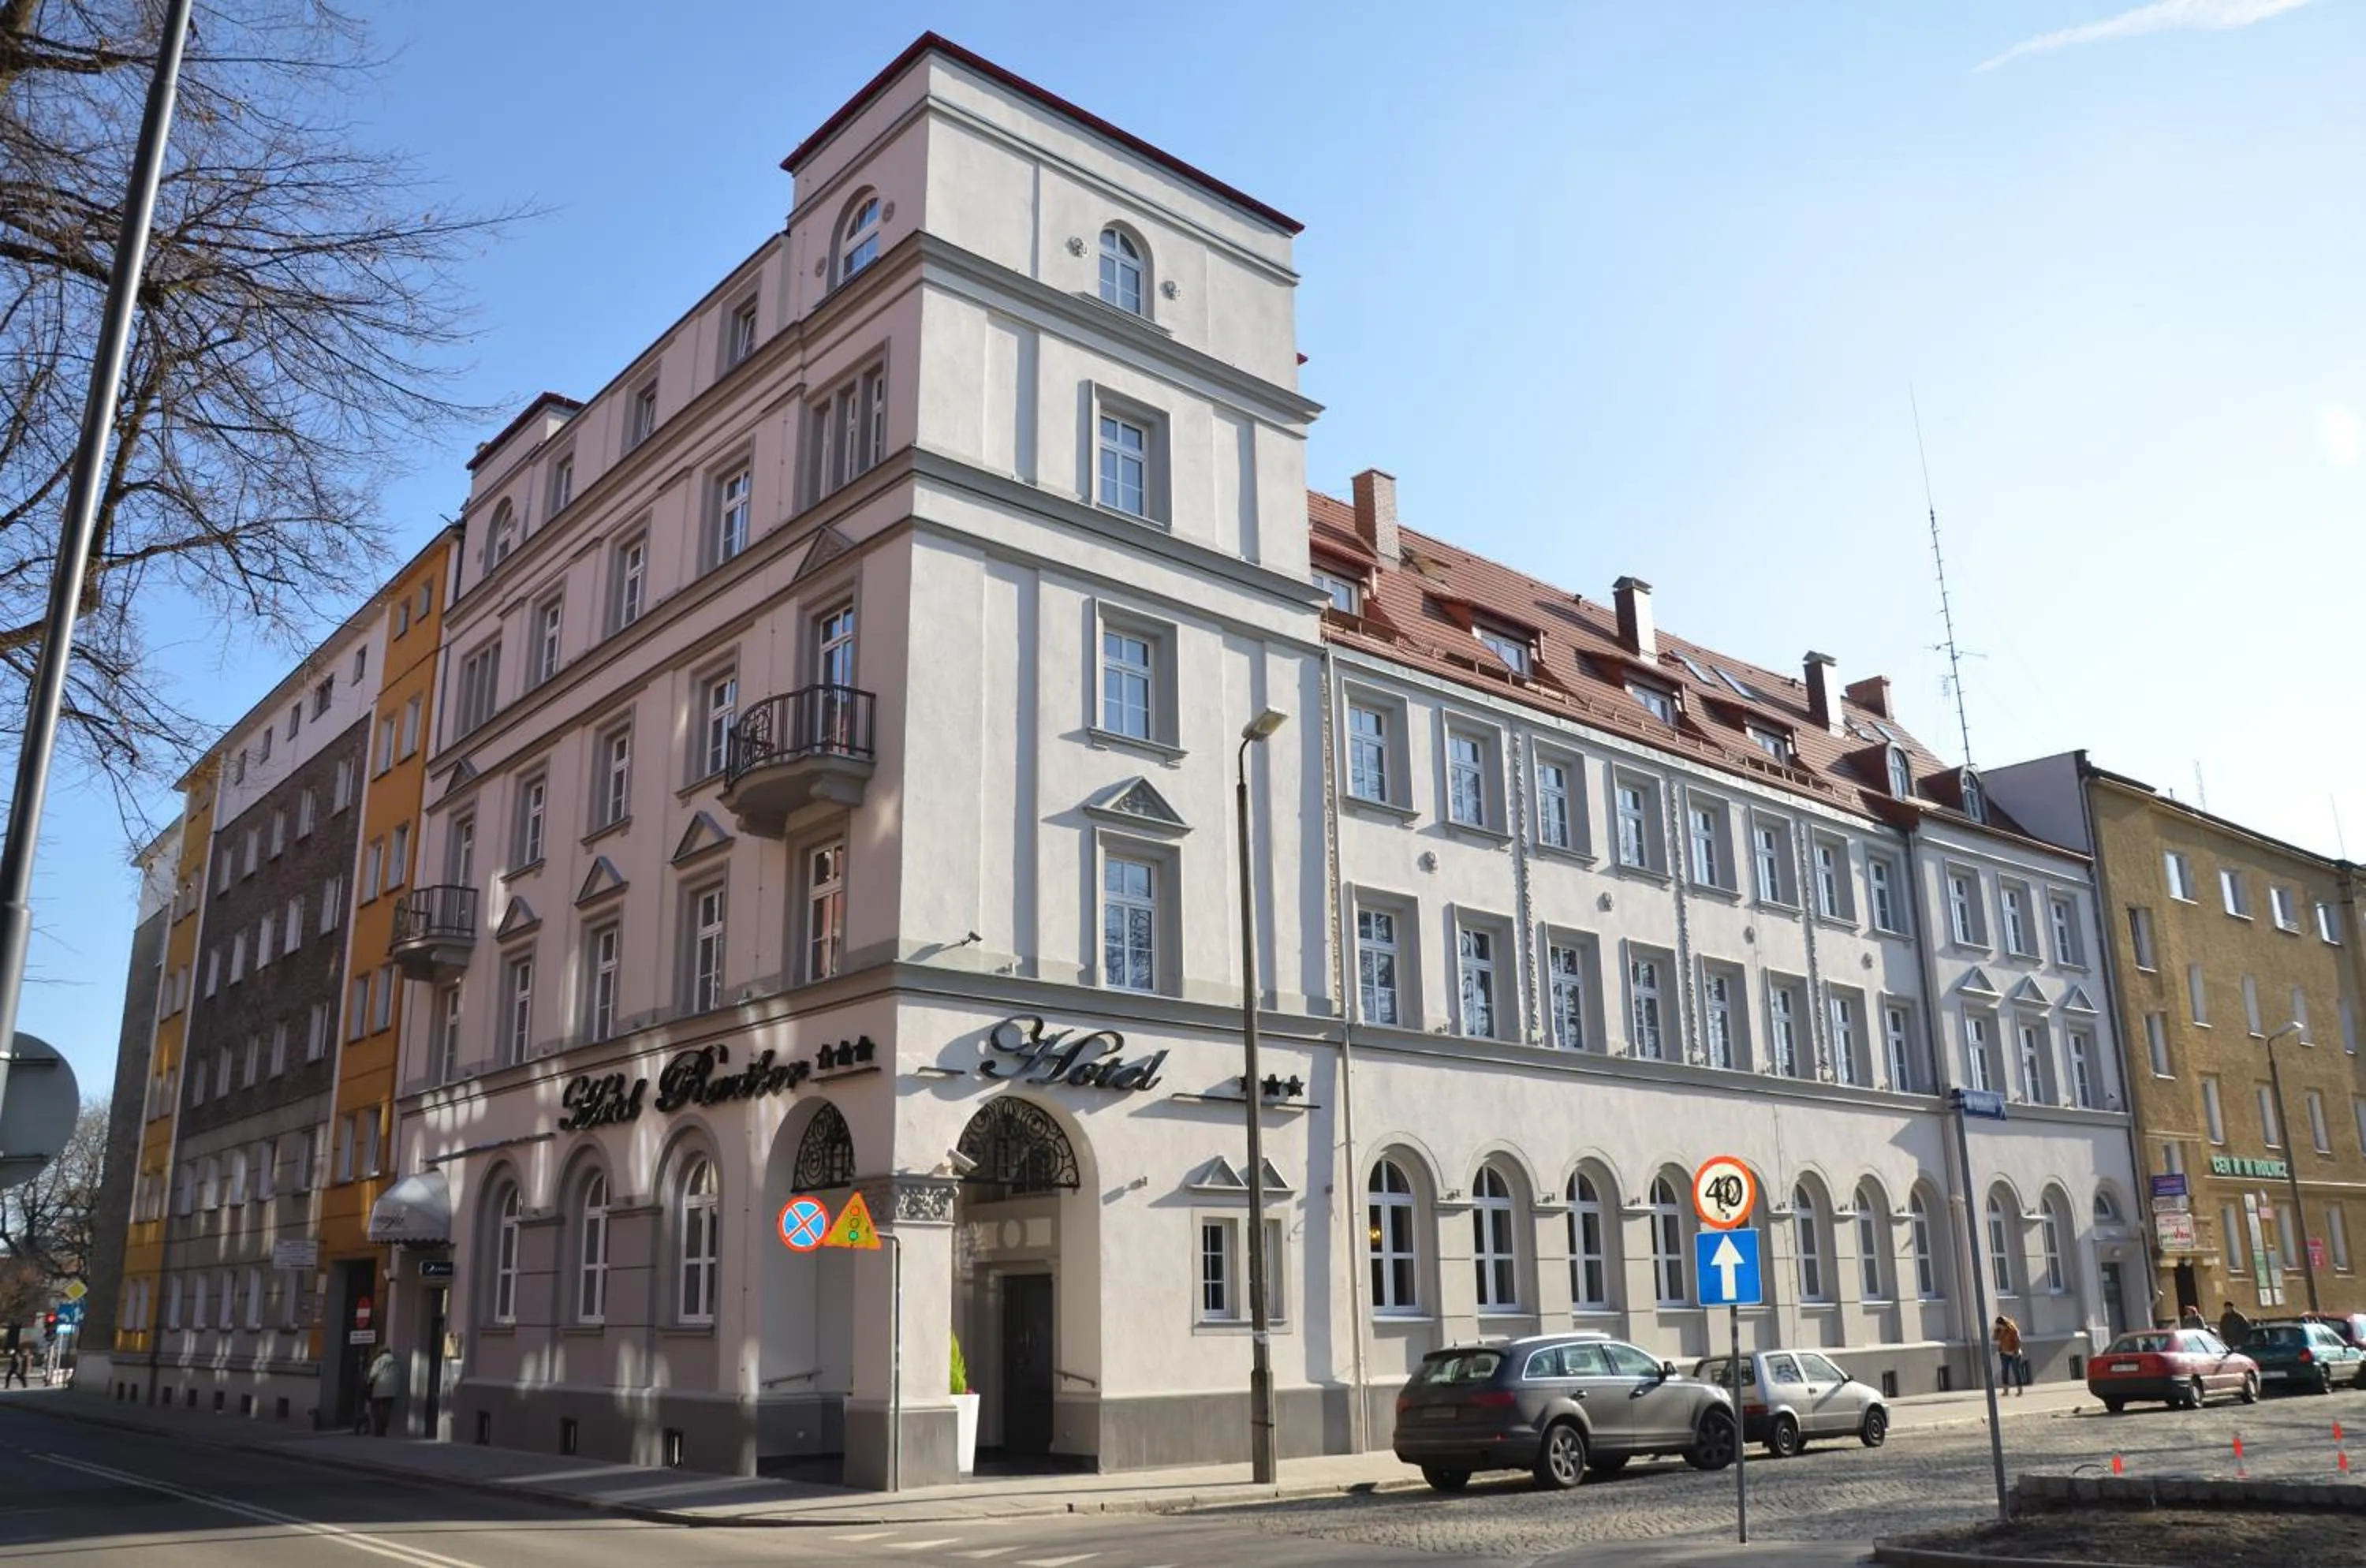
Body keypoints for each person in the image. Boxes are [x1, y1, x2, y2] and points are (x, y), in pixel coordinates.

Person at [366, 1347, 398, 1436]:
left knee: (376, 1409)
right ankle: (384, 1428)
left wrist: (368, 1383)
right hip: (392, 1390)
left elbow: (373, 1374)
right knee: (387, 1409)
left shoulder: (379, 1361)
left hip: (380, 1388)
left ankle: (378, 1429)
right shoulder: (395, 1362)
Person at [1991, 1315, 2025, 1395]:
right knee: (2004, 1371)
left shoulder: (2012, 1329)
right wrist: (1996, 1331)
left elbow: (2018, 1341)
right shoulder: (1999, 1331)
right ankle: (2006, 1391)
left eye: (2000, 1325)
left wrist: (2016, 1351)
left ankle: (2020, 1390)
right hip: (2004, 1353)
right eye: (1997, 1325)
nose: (1999, 1327)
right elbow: (1994, 1338)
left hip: (2014, 1353)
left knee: (2016, 1371)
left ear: (2004, 1324)